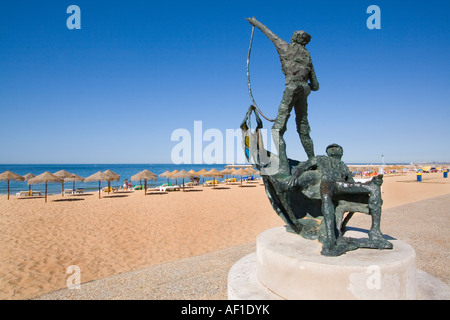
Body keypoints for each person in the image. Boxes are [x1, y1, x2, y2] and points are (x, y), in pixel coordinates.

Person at [287, 144, 392, 256]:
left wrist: (371, 183)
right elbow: (303, 167)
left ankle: (375, 231)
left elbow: (352, 183)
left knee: (374, 188)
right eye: (332, 148)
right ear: (328, 152)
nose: (334, 149)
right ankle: (331, 238)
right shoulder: (320, 158)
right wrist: (294, 176)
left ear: (341, 153)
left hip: (343, 186)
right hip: (328, 183)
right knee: (326, 195)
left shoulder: (343, 166)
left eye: (337, 148)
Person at [246, 17, 319, 175]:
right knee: (303, 128)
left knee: (276, 131)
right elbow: (316, 85)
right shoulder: (307, 55)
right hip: (304, 90)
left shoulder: (286, 48)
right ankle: (312, 158)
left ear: (294, 39)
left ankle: (284, 166)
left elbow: (269, 34)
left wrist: (254, 22)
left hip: (292, 88)